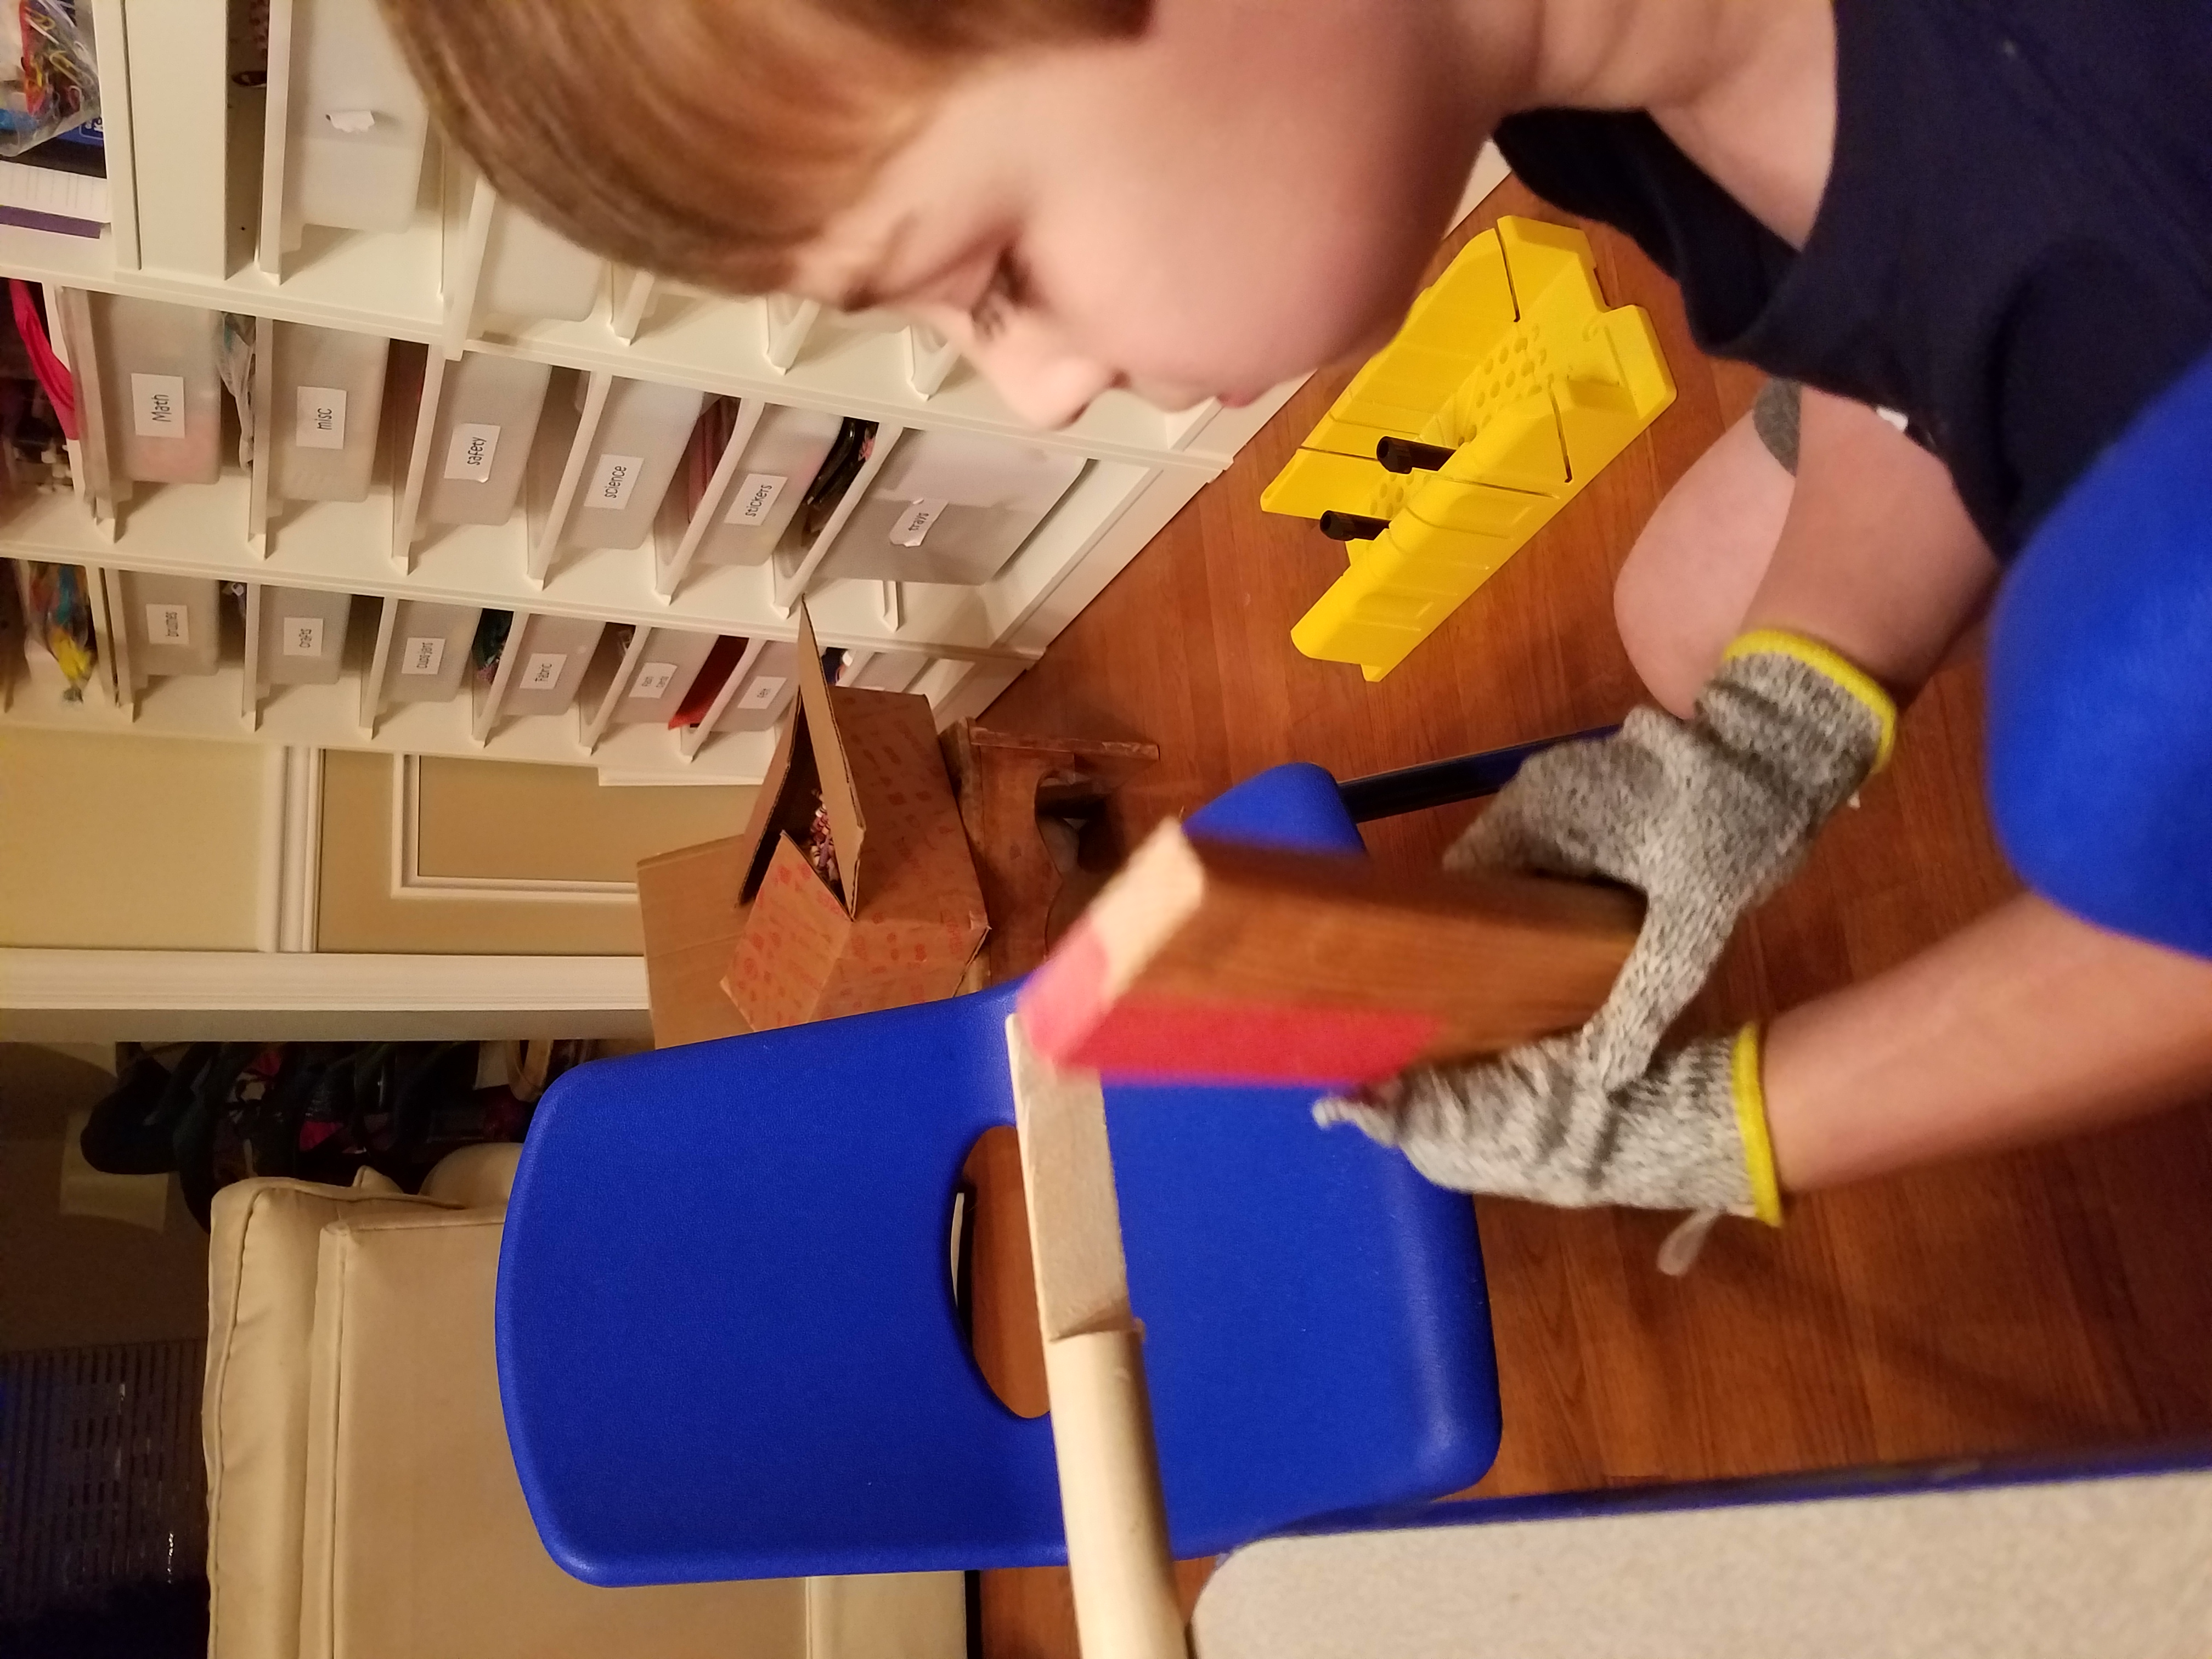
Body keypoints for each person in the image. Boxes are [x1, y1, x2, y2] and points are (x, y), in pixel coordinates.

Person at [381, 0, 2212, 1243]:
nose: (1037, 391)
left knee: (2100, 756)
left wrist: (1745, 1121)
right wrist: (1771, 730)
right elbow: (1921, 354)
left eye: (989, 276)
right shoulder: (1587, 81)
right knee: (1693, 616)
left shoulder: (2124, 179)